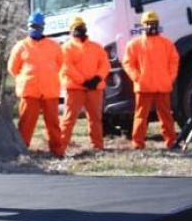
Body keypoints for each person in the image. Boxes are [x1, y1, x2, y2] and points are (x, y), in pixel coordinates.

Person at [8, 11, 65, 157]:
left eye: (38, 26)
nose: (35, 28)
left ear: (43, 26)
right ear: (28, 26)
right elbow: (13, 68)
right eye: (33, 25)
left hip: (50, 91)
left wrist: (48, 76)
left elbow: (61, 64)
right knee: (26, 124)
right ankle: (22, 152)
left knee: (53, 124)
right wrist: (27, 79)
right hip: (29, 92)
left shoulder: (54, 46)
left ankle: (57, 151)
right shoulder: (21, 46)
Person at [122, 10, 180, 149]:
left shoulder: (167, 44)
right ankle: (138, 143)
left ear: (158, 24)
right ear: (142, 25)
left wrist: (169, 78)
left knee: (166, 116)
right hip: (144, 87)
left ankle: (171, 141)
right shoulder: (134, 44)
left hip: (162, 86)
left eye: (153, 23)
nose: (151, 26)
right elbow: (127, 63)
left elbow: (174, 62)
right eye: (148, 24)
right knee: (141, 116)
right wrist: (137, 78)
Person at [60, 15, 110, 152]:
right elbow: (66, 67)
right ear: (70, 31)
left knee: (95, 119)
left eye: (81, 27)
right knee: (68, 119)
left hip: (95, 89)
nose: (79, 30)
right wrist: (83, 81)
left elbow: (105, 64)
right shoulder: (66, 48)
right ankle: (60, 148)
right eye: (76, 28)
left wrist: (97, 79)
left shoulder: (97, 47)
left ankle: (98, 147)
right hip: (75, 89)